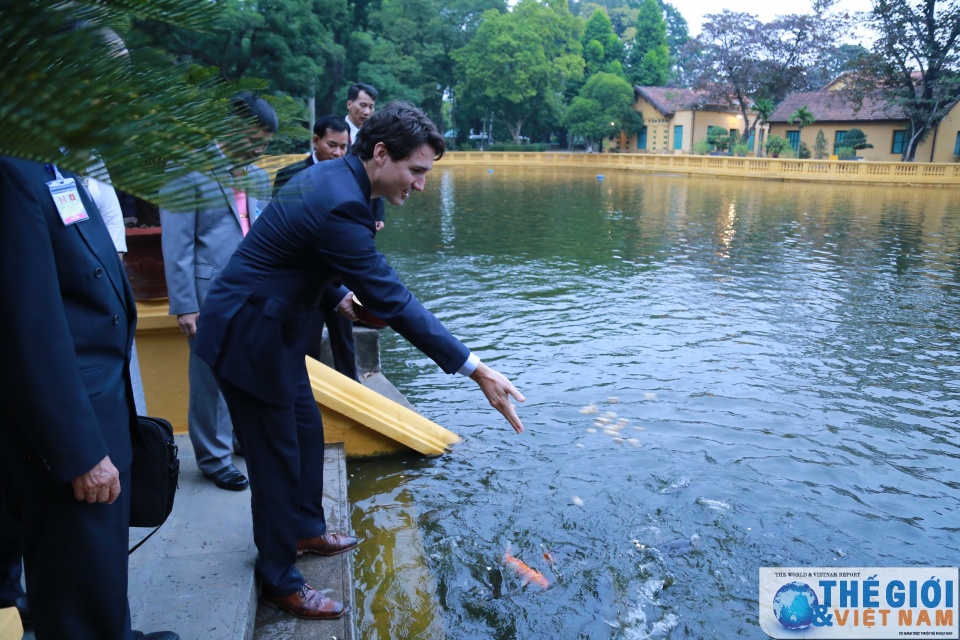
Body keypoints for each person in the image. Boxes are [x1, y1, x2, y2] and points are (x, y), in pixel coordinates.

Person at [193, 102, 525, 621]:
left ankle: (305, 526)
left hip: (271, 327)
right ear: (379, 153)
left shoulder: (332, 180)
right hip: (249, 337)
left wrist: (340, 296)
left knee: (304, 429)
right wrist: (476, 368)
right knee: (276, 458)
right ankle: (280, 578)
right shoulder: (340, 203)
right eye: (416, 171)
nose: (419, 185)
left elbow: (303, 256)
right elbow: (393, 298)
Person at [0, 156, 178, 640]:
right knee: (74, 578)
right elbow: (28, 328)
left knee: (97, 563)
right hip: (70, 428)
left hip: (100, 402)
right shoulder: (14, 174)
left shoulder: (55, 169)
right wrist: (77, 451)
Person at [160, 92, 276, 491]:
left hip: (253, 291)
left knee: (246, 370)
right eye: (255, 140)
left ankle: (238, 439)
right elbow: (177, 244)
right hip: (208, 292)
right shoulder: (187, 170)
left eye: (265, 144)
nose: (260, 150)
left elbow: (265, 232)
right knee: (209, 376)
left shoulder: (258, 176)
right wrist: (185, 305)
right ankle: (212, 458)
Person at [273, 115, 359, 379]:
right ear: (316, 140)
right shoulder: (289, 175)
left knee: (344, 341)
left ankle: (353, 391)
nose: (338, 152)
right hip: (304, 277)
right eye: (332, 145)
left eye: (343, 147)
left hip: (337, 275)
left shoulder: (351, 175)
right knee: (308, 342)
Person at [345, 82, 385, 232]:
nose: (367, 112)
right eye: (362, 105)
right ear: (349, 104)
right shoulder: (335, 132)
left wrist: (378, 214)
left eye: (371, 107)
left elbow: (378, 174)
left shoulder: (374, 137)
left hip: (365, 208)